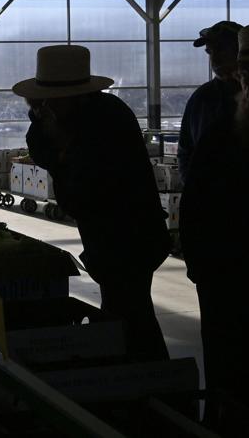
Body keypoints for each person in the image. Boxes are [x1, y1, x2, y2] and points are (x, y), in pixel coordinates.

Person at [14, 45, 170, 361]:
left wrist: (56, 140)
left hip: (126, 239)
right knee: (127, 310)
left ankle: (153, 383)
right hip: (119, 237)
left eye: (49, 102)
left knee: (129, 315)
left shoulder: (100, 122)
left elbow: (88, 181)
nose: (45, 107)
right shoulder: (94, 113)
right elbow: (45, 153)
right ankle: (147, 381)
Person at [180, 22, 249, 433]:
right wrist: (200, 264)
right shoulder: (219, 121)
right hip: (229, 276)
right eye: (246, 72)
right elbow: (195, 193)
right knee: (230, 377)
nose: (248, 80)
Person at [178, 21, 243, 182]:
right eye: (209, 52)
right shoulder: (201, 98)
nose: (214, 58)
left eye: (221, 49)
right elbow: (186, 150)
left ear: (240, 50)